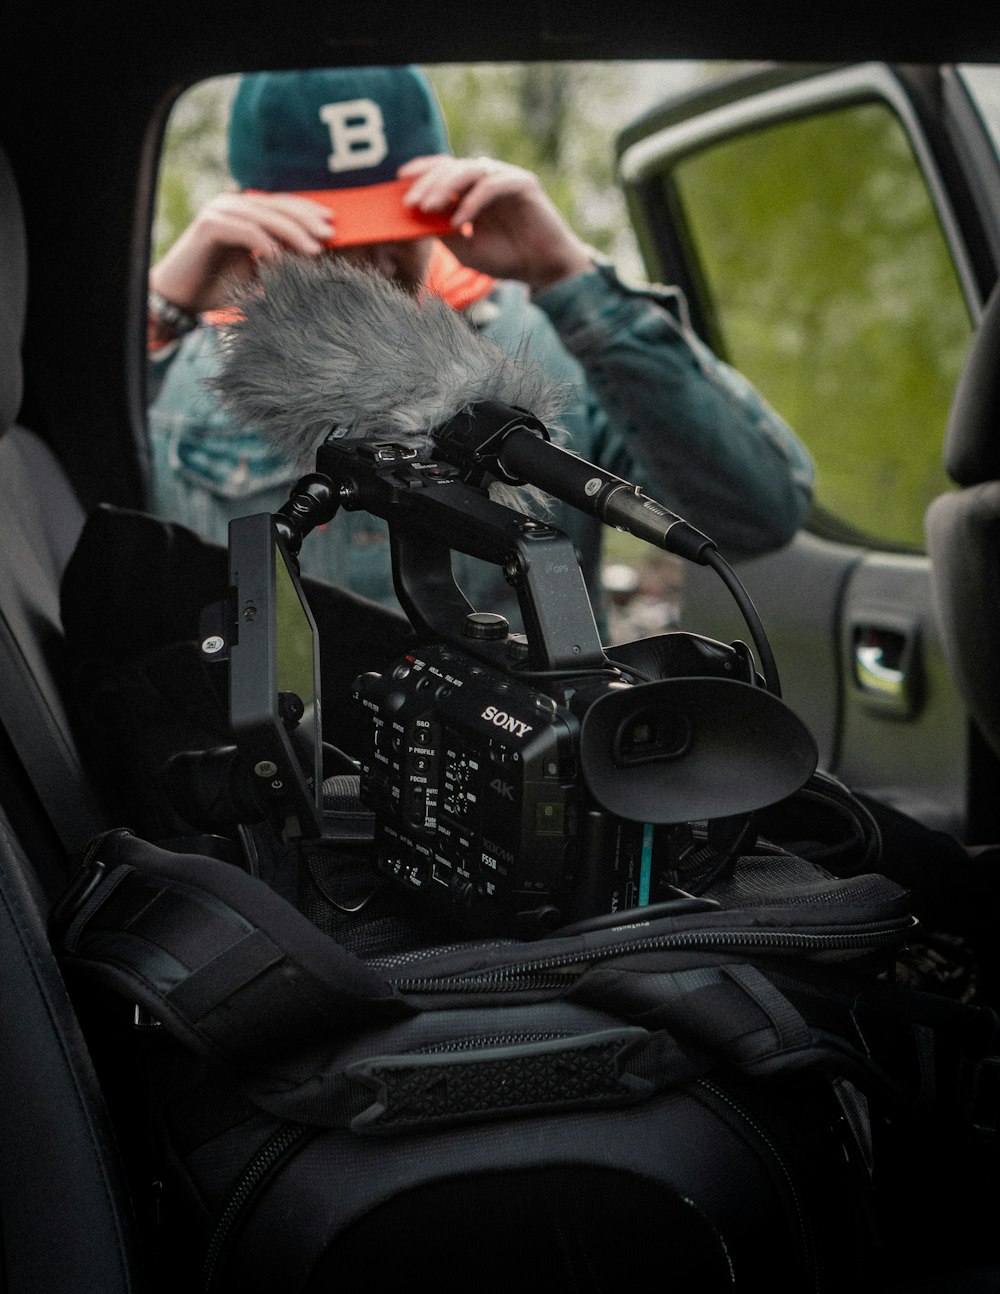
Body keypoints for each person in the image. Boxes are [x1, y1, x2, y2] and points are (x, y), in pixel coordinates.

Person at [146, 65, 815, 638]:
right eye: (336, 232)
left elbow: (757, 513)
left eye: (396, 225)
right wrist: (158, 314)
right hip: (282, 766)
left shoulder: (548, 346)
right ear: (254, 223)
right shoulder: (187, 365)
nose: (376, 260)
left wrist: (569, 277)